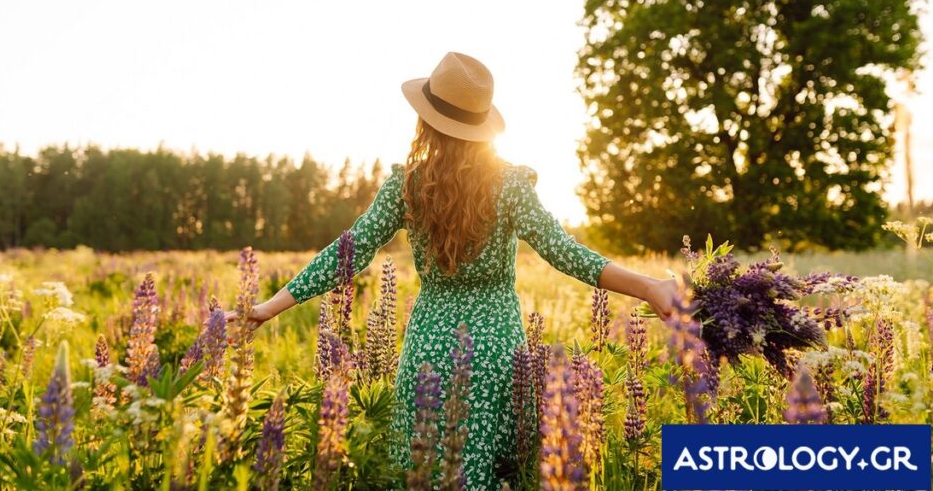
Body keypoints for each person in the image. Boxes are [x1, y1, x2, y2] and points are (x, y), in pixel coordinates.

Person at [227, 51, 679, 489]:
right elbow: (566, 253)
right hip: (495, 355)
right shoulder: (509, 185)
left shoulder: (408, 185)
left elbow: (347, 251)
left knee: (422, 474)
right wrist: (649, 286)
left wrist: (268, 307)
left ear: (426, 121)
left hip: (427, 351)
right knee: (490, 475)